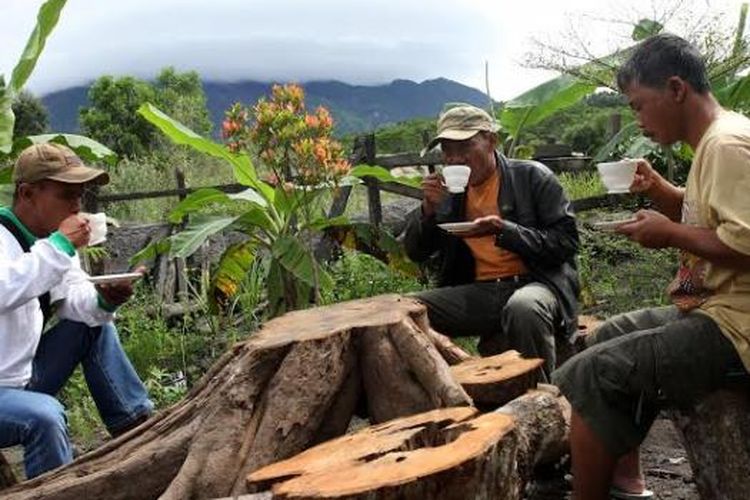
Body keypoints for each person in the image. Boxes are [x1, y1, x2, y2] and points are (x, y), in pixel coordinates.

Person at [553, 33, 750, 500]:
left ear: (677, 89)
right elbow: (717, 215)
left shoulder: (726, 144)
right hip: (715, 307)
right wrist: (664, 193)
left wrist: (669, 233)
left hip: (738, 325)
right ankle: (626, 482)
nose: (638, 120)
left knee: (593, 373)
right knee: (603, 337)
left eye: (640, 105)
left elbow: (745, 239)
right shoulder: (715, 140)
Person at [0, 143, 153, 479]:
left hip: (23, 379)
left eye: (79, 196)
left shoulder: (53, 243)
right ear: (27, 194)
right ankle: (57, 489)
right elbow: (4, 288)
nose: (76, 206)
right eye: (66, 195)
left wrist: (105, 300)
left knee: (93, 325)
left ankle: (138, 430)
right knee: (44, 416)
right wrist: (60, 246)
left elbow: (74, 299)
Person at [403, 103, 580, 379]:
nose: (455, 159)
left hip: (538, 283)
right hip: (481, 293)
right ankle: (448, 393)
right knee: (404, 311)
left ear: (491, 141)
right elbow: (416, 252)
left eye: (465, 147)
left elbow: (566, 242)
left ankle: (543, 396)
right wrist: (428, 210)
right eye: (447, 150)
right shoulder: (449, 193)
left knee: (524, 307)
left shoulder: (532, 177)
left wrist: (505, 231)